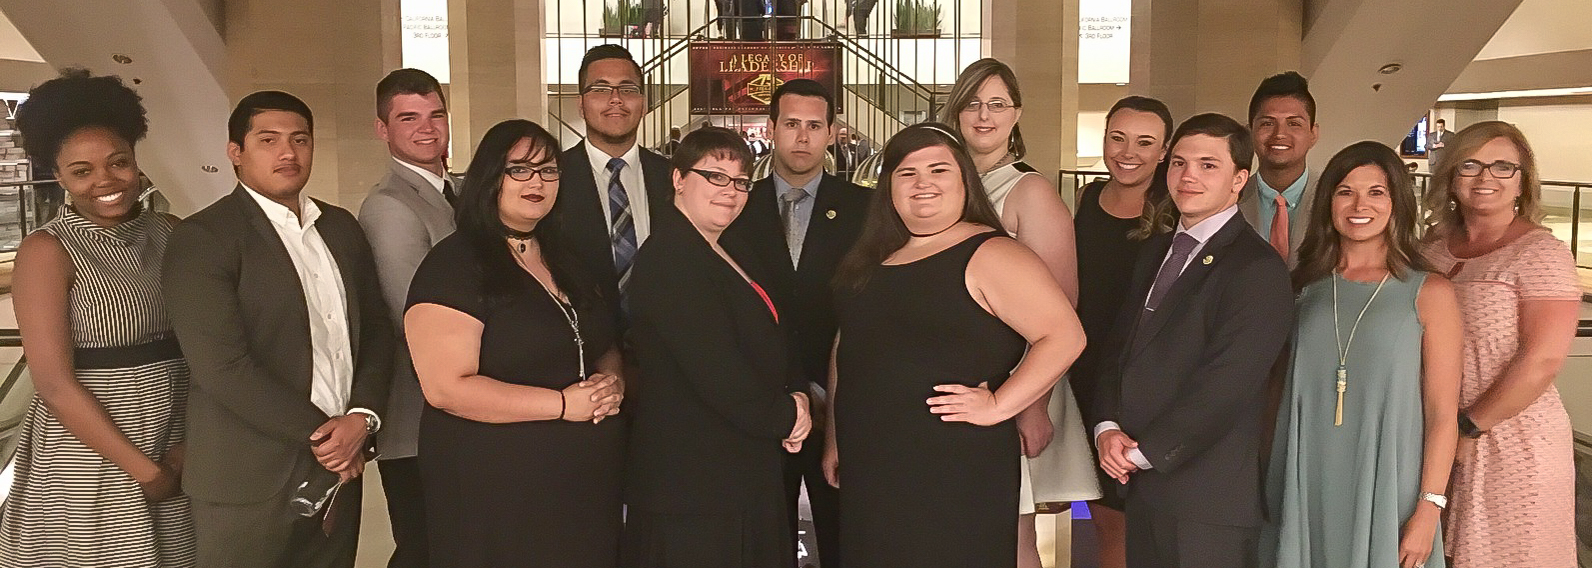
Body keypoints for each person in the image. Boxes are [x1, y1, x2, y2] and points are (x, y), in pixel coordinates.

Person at [824, 123, 1087, 568]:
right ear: (888, 187)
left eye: (938, 169)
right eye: (907, 172)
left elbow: (1064, 335)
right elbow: (847, 348)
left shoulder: (991, 253)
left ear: (964, 180)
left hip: (955, 466)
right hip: (873, 461)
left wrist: (1001, 405)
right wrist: (834, 436)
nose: (922, 182)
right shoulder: (873, 259)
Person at [162, 91, 393, 568]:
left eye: (300, 140)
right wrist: (331, 437)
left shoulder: (341, 228)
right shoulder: (204, 237)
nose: (288, 153)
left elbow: (376, 334)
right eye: (268, 140)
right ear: (235, 153)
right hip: (248, 478)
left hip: (338, 473)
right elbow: (222, 368)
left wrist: (362, 418)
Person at [404, 119, 625, 568]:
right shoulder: (454, 264)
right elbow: (447, 388)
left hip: (580, 488)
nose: (537, 181)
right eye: (520, 169)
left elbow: (601, 337)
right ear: (490, 177)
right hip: (494, 488)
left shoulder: (564, 254)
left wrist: (613, 382)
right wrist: (563, 405)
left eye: (549, 170)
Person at [0, 69, 195, 568]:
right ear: (59, 176)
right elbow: (54, 383)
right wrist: (144, 471)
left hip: (176, 437)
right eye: (82, 171)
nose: (105, 181)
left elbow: (205, 343)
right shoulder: (47, 250)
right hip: (92, 454)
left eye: (119, 163)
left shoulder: (170, 231)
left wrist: (188, 449)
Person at [1092, 113, 1294, 568]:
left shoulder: (1255, 269)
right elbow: (1118, 349)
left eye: (1207, 165)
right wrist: (1106, 427)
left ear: (1239, 179)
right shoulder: (1154, 252)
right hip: (1143, 487)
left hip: (1207, 498)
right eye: (1179, 162)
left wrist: (1144, 453)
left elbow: (1227, 384)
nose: (1188, 176)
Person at [1263, 141, 1462, 568]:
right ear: (1328, 202)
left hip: (1391, 485)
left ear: (1398, 203)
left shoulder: (1429, 292)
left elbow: (1443, 413)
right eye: (1345, 191)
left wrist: (1429, 508)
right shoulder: (1302, 289)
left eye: (1377, 192)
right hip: (1305, 477)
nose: (1359, 205)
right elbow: (1275, 393)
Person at [622, 126, 812, 568]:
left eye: (742, 181)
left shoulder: (730, 247)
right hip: (693, 478)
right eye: (716, 176)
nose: (732, 191)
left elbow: (778, 331)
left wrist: (798, 391)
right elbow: (715, 370)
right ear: (678, 179)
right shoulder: (669, 259)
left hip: (740, 464)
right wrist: (788, 416)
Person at [940, 57, 1098, 568]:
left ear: (1017, 114)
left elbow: (1063, 307)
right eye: (972, 104)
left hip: (1014, 382)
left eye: (997, 105)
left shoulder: (1030, 191)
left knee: (1012, 533)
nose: (983, 115)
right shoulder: (942, 185)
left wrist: (1032, 403)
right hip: (956, 380)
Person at [1418, 121, 1581, 568]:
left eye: (1503, 167)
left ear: (1522, 181)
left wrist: (1470, 427)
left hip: (1509, 438)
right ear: (1450, 176)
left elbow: (1543, 358)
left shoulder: (1540, 253)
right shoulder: (1431, 247)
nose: (1485, 177)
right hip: (1436, 432)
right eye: (1470, 164)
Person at [722, 79, 867, 568]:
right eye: (791, 125)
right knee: (763, 544)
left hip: (841, 409)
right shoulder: (735, 207)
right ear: (770, 129)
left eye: (814, 126)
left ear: (832, 133)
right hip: (760, 408)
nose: (802, 138)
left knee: (847, 538)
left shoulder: (866, 211)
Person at [355, 67, 457, 568]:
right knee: (425, 549)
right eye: (408, 117)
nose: (427, 128)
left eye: (436, 114)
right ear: (382, 129)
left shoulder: (453, 190)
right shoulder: (391, 207)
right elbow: (412, 320)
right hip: (419, 419)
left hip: (457, 415)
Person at [1071, 95, 1177, 568]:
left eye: (1144, 142)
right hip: (1086, 374)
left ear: (1164, 150)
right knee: (1105, 521)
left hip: (1146, 382)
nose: (1128, 152)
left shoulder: (1175, 212)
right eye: (1118, 137)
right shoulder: (1087, 199)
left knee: (1146, 520)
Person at [556, 45, 676, 334]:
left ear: (644, 104)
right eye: (600, 89)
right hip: (581, 352)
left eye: (628, 89)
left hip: (666, 350)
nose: (615, 100)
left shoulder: (674, 178)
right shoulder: (553, 178)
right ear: (581, 104)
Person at [1240, 71, 1320, 266]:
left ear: (1313, 134)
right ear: (1250, 132)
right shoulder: (1230, 200)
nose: (1280, 134)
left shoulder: (1335, 197)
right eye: (1267, 123)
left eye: (1294, 123)